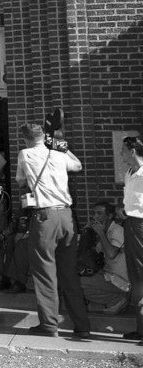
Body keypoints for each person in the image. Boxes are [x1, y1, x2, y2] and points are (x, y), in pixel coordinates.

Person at [16, 122, 91, 338]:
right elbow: (77, 166)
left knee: (45, 272)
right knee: (69, 273)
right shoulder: (58, 155)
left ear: (26, 138)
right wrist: (63, 147)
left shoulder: (25, 154)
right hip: (66, 215)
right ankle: (82, 326)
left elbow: (20, 181)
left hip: (44, 216)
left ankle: (49, 324)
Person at [80, 200, 129, 314]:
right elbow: (89, 255)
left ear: (110, 216)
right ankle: (115, 299)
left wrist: (100, 233)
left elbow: (112, 254)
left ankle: (117, 299)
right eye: (94, 213)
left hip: (121, 280)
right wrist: (87, 233)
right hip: (108, 275)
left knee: (78, 283)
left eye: (99, 213)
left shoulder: (117, 230)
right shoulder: (105, 232)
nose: (95, 217)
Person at [121, 135, 143, 341]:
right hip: (131, 224)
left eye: (124, 151)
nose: (122, 155)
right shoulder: (130, 173)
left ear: (133, 151)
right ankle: (140, 326)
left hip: (141, 225)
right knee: (135, 274)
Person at [0, 211, 31, 293]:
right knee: (8, 241)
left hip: (35, 231)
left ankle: (20, 282)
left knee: (22, 243)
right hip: (22, 230)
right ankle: (6, 279)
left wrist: (26, 233)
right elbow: (17, 218)